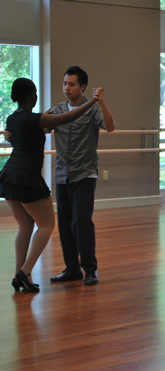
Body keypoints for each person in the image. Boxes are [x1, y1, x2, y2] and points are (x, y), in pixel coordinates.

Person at [0, 78, 101, 292]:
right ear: (33, 96)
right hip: (27, 177)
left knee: (25, 226)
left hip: (9, 175)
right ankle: (24, 271)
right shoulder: (35, 119)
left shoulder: (12, 119)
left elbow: (29, 132)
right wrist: (93, 101)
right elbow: (70, 116)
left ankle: (20, 275)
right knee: (46, 225)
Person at [48, 66, 115, 286]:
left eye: (71, 84)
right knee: (66, 224)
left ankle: (90, 270)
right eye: (65, 83)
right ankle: (72, 269)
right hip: (62, 175)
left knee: (81, 222)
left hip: (84, 174)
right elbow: (39, 125)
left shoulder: (92, 108)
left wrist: (101, 102)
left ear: (83, 86)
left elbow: (110, 126)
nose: (66, 88)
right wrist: (13, 131)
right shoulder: (58, 109)